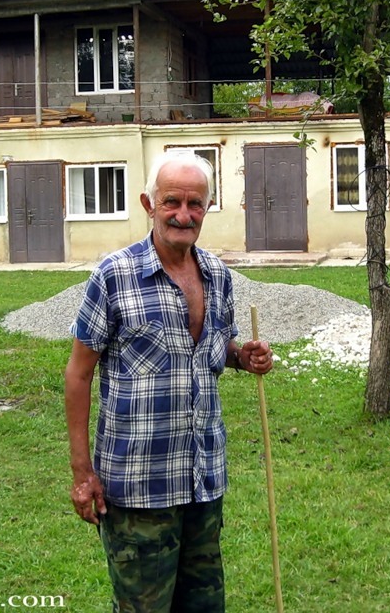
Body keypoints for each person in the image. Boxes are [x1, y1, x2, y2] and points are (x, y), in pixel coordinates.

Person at [65, 149, 274, 612]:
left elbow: (214, 349)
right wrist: (82, 474)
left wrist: (244, 356)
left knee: (203, 606)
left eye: (195, 203)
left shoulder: (218, 275)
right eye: (172, 202)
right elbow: (78, 374)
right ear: (148, 203)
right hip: (138, 487)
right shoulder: (114, 275)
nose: (184, 214)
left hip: (203, 481)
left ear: (206, 208)